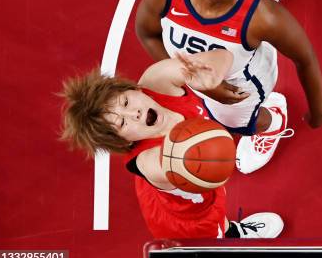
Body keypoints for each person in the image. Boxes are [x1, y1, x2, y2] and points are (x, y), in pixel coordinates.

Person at [135, 0, 322, 174]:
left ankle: (272, 124)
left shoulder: (263, 17)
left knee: (237, 124)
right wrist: (191, 79)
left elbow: (305, 58)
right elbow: (146, 33)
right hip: (213, 73)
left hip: (242, 84)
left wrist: (318, 109)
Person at [60, 50, 283, 239]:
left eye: (125, 102)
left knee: (232, 109)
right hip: (188, 215)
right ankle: (233, 236)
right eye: (121, 122)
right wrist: (218, 151)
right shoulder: (150, 162)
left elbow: (222, 55)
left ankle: (274, 121)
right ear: (123, 140)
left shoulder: (156, 81)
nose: (134, 113)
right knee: (214, 235)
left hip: (203, 154)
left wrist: (211, 72)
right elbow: (215, 172)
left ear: (134, 89)